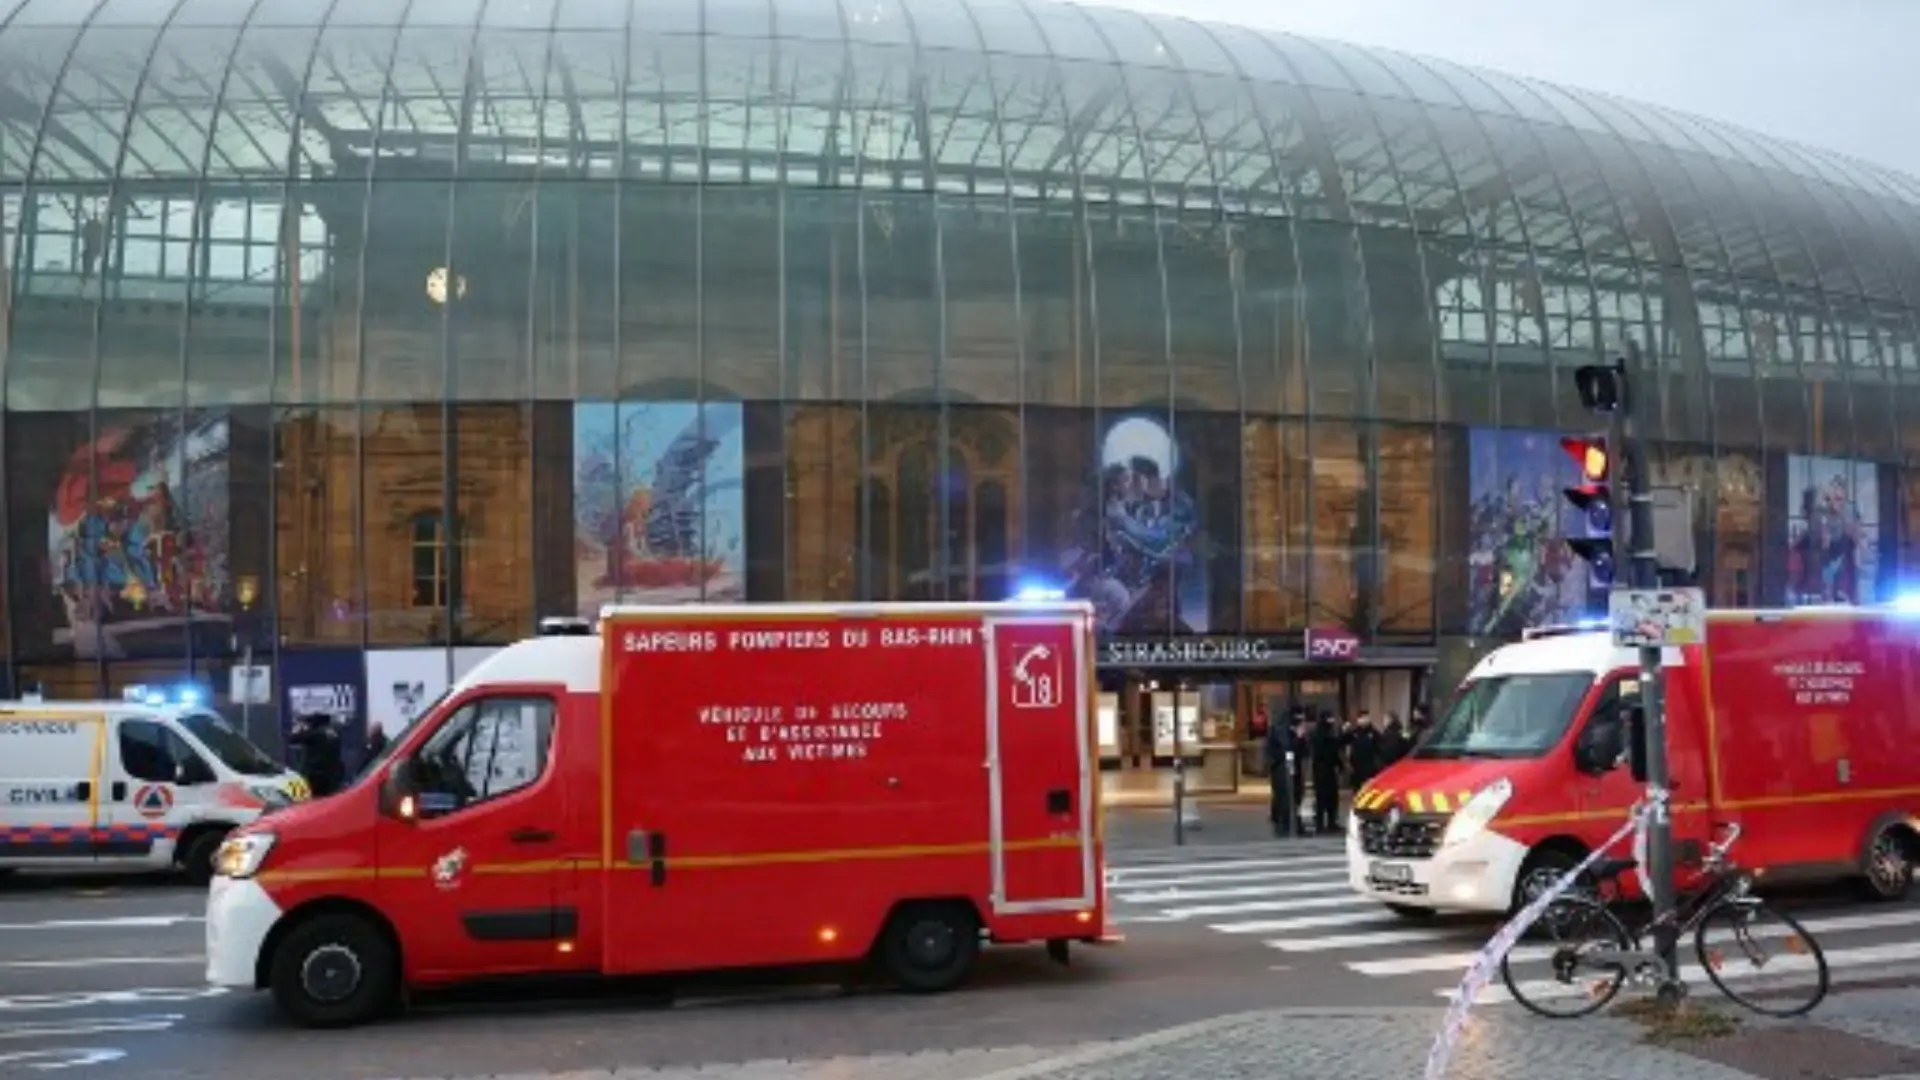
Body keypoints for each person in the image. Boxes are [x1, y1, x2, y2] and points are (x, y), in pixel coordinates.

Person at [290, 713, 345, 798]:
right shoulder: (334, 733)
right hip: (332, 774)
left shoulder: (316, 734)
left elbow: (294, 739)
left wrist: (299, 728)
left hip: (316, 775)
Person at [1309, 709, 1343, 834]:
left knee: (1331, 797)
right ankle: (1322, 824)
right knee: (1322, 797)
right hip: (1322, 770)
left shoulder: (1327, 733)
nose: (1332, 721)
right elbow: (1329, 751)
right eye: (1330, 718)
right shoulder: (1320, 734)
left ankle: (1330, 822)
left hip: (1326, 769)